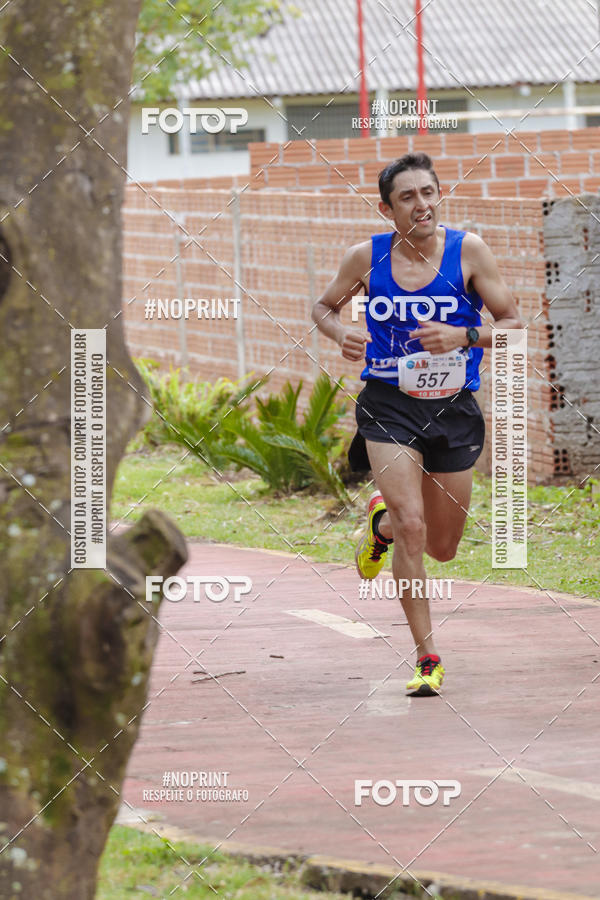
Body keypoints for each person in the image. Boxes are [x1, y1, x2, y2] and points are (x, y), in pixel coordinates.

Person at [311, 152, 521, 697]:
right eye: (407, 197)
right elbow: (323, 307)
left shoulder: (468, 252)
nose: (422, 204)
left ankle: (378, 526)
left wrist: (465, 337)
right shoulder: (366, 258)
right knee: (414, 526)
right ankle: (427, 656)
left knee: (444, 547)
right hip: (389, 402)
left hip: (454, 407)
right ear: (388, 208)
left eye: (428, 192)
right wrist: (341, 335)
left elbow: (516, 328)